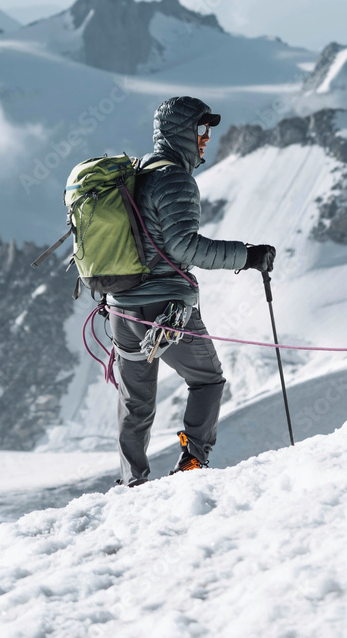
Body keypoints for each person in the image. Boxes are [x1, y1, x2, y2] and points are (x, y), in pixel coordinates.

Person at [108, 95, 276, 486]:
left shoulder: (138, 173)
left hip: (120, 307)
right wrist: (247, 256)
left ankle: (132, 481)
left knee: (135, 400)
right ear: (181, 131)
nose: (206, 138)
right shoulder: (175, 179)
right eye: (201, 129)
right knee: (207, 381)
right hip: (164, 307)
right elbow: (184, 247)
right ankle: (193, 461)